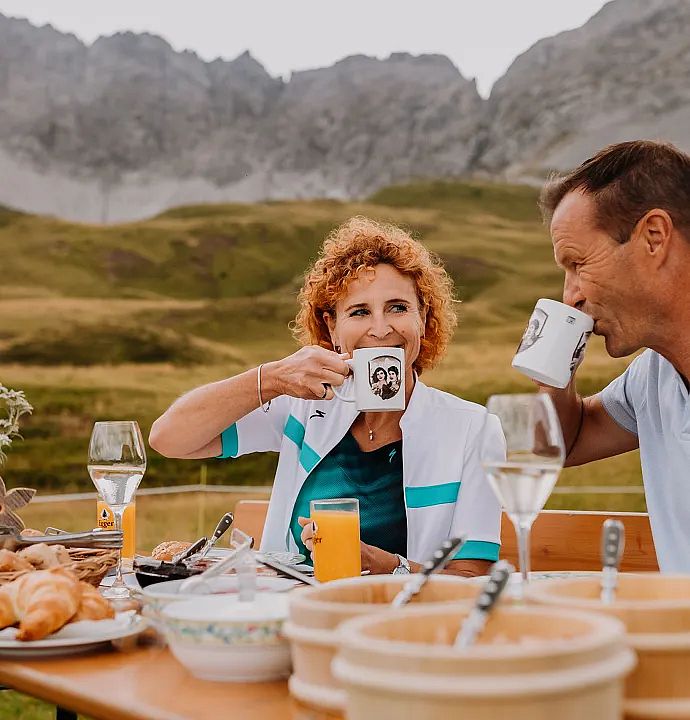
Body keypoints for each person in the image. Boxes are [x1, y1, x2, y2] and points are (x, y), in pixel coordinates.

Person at [149, 216, 505, 576]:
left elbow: (471, 578)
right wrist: (272, 378)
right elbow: (170, 439)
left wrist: (386, 566)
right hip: (291, 613)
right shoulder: (302, 406)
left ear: (423, 318)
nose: (380, 329)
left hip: (401, 625)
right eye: (359, 312)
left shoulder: (472, 429)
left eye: (398, 307)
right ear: (332, 327)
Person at [537, 140, 690, 573]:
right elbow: (565, 443)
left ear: (654, 237)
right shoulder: (653, 376)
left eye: (578, 264)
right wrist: (551, 369)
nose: (571, 296)